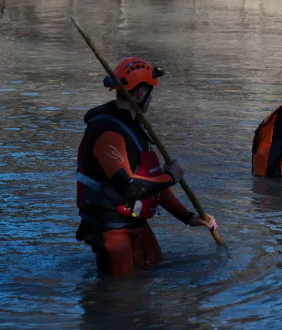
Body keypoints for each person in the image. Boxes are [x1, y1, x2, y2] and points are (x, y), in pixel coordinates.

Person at [75, 57, 217, 276]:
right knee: (122, 297)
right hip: (111, 227)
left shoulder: (134, 127)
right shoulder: (107, 131)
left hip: (133, 224)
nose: (151, 98)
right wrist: (171, 177)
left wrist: (188, 218)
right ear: (141, 93)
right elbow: (129, 188)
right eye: (151, 92)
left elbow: (151, 182)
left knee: (155, 268)